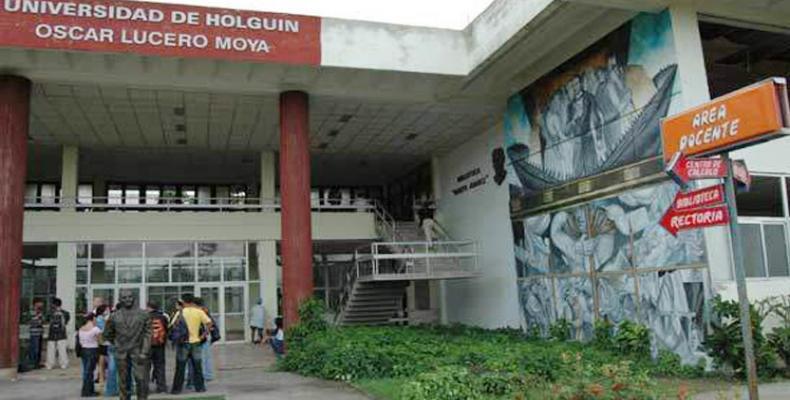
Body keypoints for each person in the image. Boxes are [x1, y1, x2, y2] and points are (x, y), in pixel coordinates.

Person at [103, 290, 151, 400]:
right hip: (121, 352)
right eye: (124, 298)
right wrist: (117, 344)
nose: (128, 299)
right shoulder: (114, 316)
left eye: (130, 297)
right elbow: (107, 334)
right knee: (123, 381)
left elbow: (148, 335)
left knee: (141, 380)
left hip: (138, 352)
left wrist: (144, 351)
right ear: (120, 300)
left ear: (134, 298)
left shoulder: (144, 314)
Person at [170, 294, 212, 394]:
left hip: (183, 343)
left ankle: (176, 389)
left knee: (180, 367)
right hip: (196, 342)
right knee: (197, 366)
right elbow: (209, 323)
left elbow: (172, 325)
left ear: (184, 302)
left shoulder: (180, 312)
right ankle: (200, 388)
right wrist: (203, 335)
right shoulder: (199, 311)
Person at [146, 300, 169, 394]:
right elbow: (167, 329)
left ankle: (145, 389)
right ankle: (161, 388)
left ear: (148, 307)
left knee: (145, 368)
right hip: (160, 345)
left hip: (146, 346)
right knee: (160, 366)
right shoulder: (163, 317)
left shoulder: (144, 317)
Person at [78, 313, 102, 397]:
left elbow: (80, 342)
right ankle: (88, 391)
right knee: (90, 371)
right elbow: (100, 341)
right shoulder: (95, 329)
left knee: (86, 371)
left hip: (84, 350)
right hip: (93, 350)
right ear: (93, 319)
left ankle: (86, 390)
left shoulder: (81, 329)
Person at [45, 297, 70, 370]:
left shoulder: (62, 313)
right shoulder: (64, 313)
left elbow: (46, 320)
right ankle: (62, 364)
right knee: (60, 349)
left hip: (54, 333)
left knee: (53, 349)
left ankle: (50, 364)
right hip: (59, 334)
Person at [28, 299, 45, 369]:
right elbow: (32, 321)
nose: (42, 305)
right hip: (34, 333)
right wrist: (38, 317)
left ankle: (37, 363)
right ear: (36, 304)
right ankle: (32, 363)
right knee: (34, 348)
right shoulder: (32, 312)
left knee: (39, 348)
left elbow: (42, 321)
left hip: (39, 332)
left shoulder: (40, 312)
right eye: (40, 303)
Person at [95, 305, 109, 387]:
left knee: (102, 361)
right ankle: (101, 377)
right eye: (106, 310)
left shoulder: (101, 318)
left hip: (103, 342)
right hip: (103, 342)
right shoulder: (100, 319)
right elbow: (102, 330)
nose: (108, 311)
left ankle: (101, 377)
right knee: (102, 361)